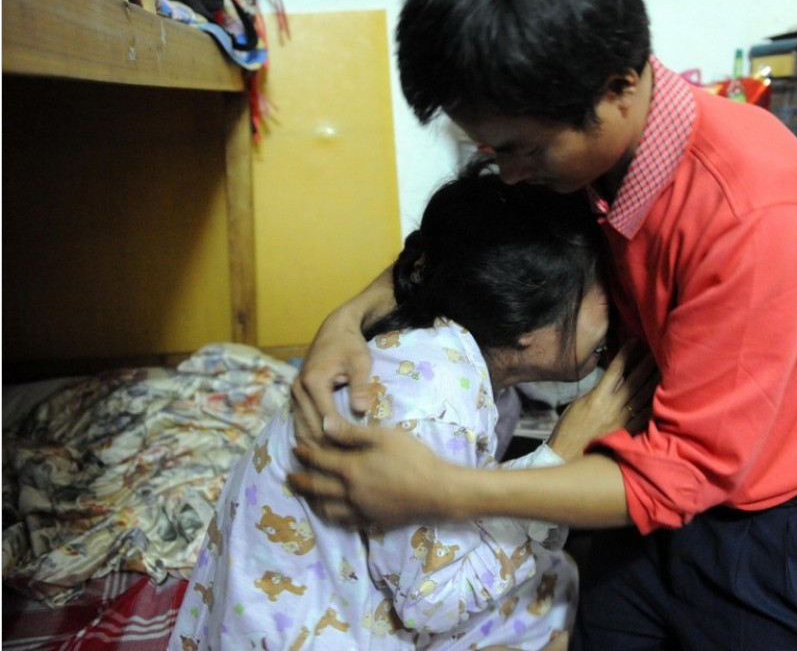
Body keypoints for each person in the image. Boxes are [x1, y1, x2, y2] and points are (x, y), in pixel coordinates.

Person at [288, 0, 797, 649]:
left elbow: (684, 473)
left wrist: (447, 490)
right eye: (489, 149)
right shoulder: (587, 156)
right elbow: (465, 252)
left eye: (521, 149)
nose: (507, 175)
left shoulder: (754, 212)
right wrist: (348, 318)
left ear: (617, 90)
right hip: (641, 486)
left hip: (770, 528)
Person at [168, 162, 656, 651]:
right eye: (602, 289)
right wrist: (562, 453)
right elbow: (433, 604)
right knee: (556, 598)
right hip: (315, 629)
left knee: (554, 572)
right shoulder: (436, 397)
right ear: (526, 319)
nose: (617, 309)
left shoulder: (436, 345)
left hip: (307, 607)